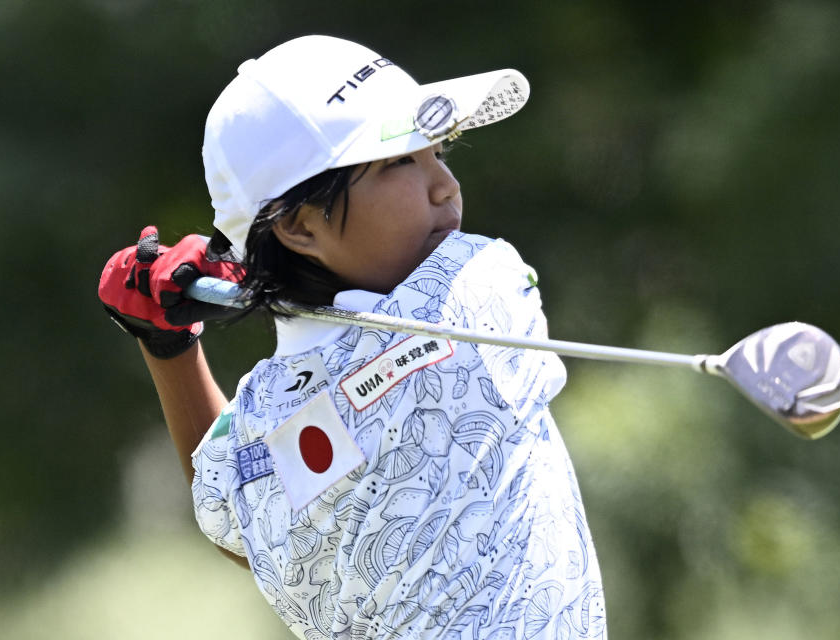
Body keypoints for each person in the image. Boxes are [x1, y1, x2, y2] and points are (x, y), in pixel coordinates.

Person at [99, 35, 606, 640]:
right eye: (400, 162)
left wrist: (168, 346)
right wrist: (254, 276)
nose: (446, 187)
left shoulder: (266, 416)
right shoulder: (482, 287)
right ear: (298, 225)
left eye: (439, 152)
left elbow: (240, 528)